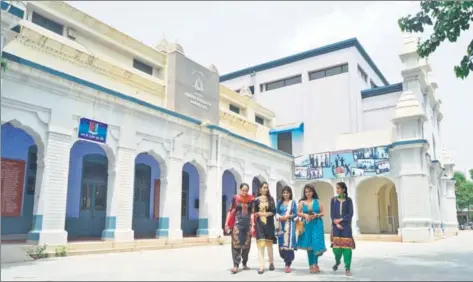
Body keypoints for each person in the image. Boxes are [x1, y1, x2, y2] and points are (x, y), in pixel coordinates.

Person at [224, 183, 255, 274]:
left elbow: (252, 212)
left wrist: (252, 225)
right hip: (237, 224)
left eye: (246, 190)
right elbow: (230, 211)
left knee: (246, 245)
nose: (245, 192)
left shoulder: (251, 199)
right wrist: (226, 223)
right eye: (243, 190)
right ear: (240, 189)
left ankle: (244, 263)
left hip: (248, 225)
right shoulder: (235, 198)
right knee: (235, 244)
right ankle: (235, 265)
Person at [296, 184, 326, 273]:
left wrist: (317, 215)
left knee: (316, 243)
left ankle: (315, 264)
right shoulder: (301, 202)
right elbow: (297, 213)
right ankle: (311, 265)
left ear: (313, 192)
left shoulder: (317, 201)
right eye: (306, 192)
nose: (308, 193)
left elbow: (323, 213)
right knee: (309, 245)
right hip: (307, 225)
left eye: (309, 191)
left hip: (317, 224)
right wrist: (304, 215)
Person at [330, 182, 356, 276]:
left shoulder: (349, 200)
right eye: (336, 188)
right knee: (336, 249)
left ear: (343, 189)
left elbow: (350, 213)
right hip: (336, 227)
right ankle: (337, 261)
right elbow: (332, 214)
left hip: (346, 227)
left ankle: (347, 268)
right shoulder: (333, 200)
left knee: (347, 248)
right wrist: (336, 223)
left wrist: (341, 220)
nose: (337, 190)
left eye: (339, 188)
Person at [253, 181, 276, 274]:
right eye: (264, 187)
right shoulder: (256, 200)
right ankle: (261, 266)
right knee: (260, 245)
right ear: (260, 189)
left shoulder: (271, 199)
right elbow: (254, 212)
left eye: (267, 187)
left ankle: (271, 263)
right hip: (260, 225)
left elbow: (274, 211)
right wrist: (259, 214)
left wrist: (267, 213)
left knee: (269, 245)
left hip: (269, 224)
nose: (265, 189)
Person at [275, 186, 297, 273]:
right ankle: (286, 259)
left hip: (289, 225)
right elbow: (276, 212)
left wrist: (288, 216)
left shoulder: (293, 203)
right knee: (281, 246)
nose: (285, 194)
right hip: (280, 225)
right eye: (284, 193)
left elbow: (295, 214)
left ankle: (287, 264)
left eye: (287, 193)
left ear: (290, 194)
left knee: (288, 245)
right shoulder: (279, 202)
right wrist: (280, 217)